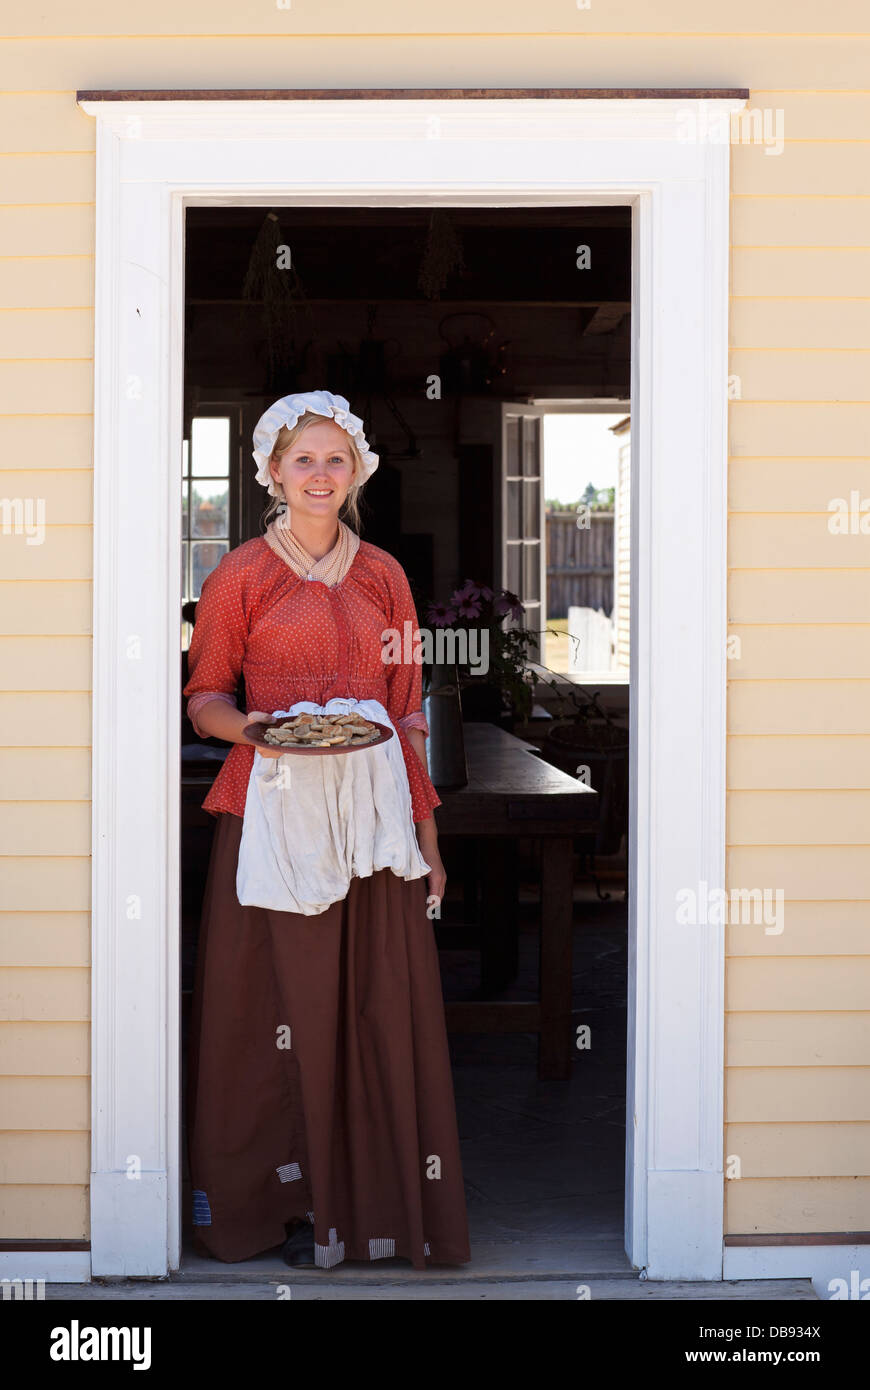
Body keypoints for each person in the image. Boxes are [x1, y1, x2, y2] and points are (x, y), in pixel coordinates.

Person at [183, 391, 471, 1270]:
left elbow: (405, 714)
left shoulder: (384, 574)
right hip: (268, 812)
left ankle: (370, 1207)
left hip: (374, 824)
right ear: (272, 470)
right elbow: (204, 703)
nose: (319, 475)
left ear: (357, 474)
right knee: (267, 1012)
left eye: (335, 460)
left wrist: (427, 835)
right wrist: (260, 731)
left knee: (373, 1008)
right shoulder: (240, 576)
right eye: (302, 460)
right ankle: (263, 1207)